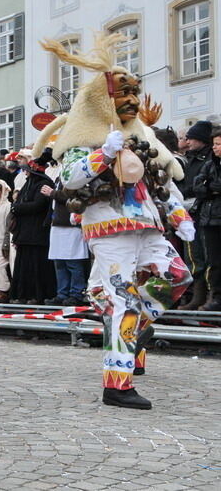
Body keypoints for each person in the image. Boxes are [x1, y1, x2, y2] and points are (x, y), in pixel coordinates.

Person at [36, 32, 192, 409]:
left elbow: (160, 179)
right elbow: (70, 177)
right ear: (103, 100)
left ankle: (121, 318)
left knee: (178, 276)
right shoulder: (84, 137)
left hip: (147, 224)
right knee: (125, 301)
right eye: (124, 94)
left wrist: (178, 212)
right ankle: (117, 383)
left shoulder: (139, 136)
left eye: (134, 94)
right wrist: (102, 155)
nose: (132, 102)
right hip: (109, 228)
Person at [9, 156, 56, 304]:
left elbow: (38, 205)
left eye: (28, 171)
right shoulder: (28, 183)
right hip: (25, 232)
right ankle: (23, 294)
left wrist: (17, 207)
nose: (26, 173)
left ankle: (37, 295)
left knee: (37, 266)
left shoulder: (44, 183)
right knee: (23, 266)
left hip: (37, 232)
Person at [177, 120, 214, 310]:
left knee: (208, 255)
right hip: (189, 210)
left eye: (191, 138)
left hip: (204, 211)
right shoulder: (190, 158)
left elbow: (206, 184)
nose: (187, 142)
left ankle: (209, 296)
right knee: (192, 255)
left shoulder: (209, 159)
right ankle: (196, 296)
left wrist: (194, 191)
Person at [45, 177, 88, 305]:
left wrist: (53, 193)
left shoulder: (76, 176)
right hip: (58, 224)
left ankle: (76, 293)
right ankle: (62, 294)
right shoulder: (60, 177)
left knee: (73, 262)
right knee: (59, 262)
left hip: (71, 225)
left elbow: (74, 198)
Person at [191, 128, 221, 312]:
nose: (215, 147)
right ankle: (215, 297)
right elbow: (198, 186)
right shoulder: (210, 165)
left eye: (219, 144)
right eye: (215, 144)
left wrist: (209, 187)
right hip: (210, 218)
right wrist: (211, 188)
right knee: (214, 261)